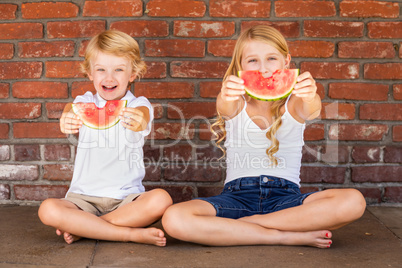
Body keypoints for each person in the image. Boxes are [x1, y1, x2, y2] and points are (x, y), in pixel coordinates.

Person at [162, 25, 366, 248]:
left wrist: (310, 94)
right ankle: (283, 235)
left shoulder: (295, 103)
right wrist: (226, 92)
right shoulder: (236, 102)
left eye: (271, 58)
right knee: (173, 218)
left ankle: (246, 226)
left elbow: (312, 108)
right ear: (240, 66)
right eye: (252, 61)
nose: (264, 69)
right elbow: (225, 104)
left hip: (286, 199)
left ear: (286, 62)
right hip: (236, 197)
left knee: (354, 201)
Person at [38, 30, 172, 247]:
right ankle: (129, 234)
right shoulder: (85, 100)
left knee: (161, 199)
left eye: (119, 69)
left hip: (126, 199)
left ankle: (87, 228)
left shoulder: (139, 104)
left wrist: (139, 120)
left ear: (132, 74)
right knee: (47, 209)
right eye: (101, 70)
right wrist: (67, 116)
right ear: (90, 73)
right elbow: (70, 108)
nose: (109, 78)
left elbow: (143, 117)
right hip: (82, 198)